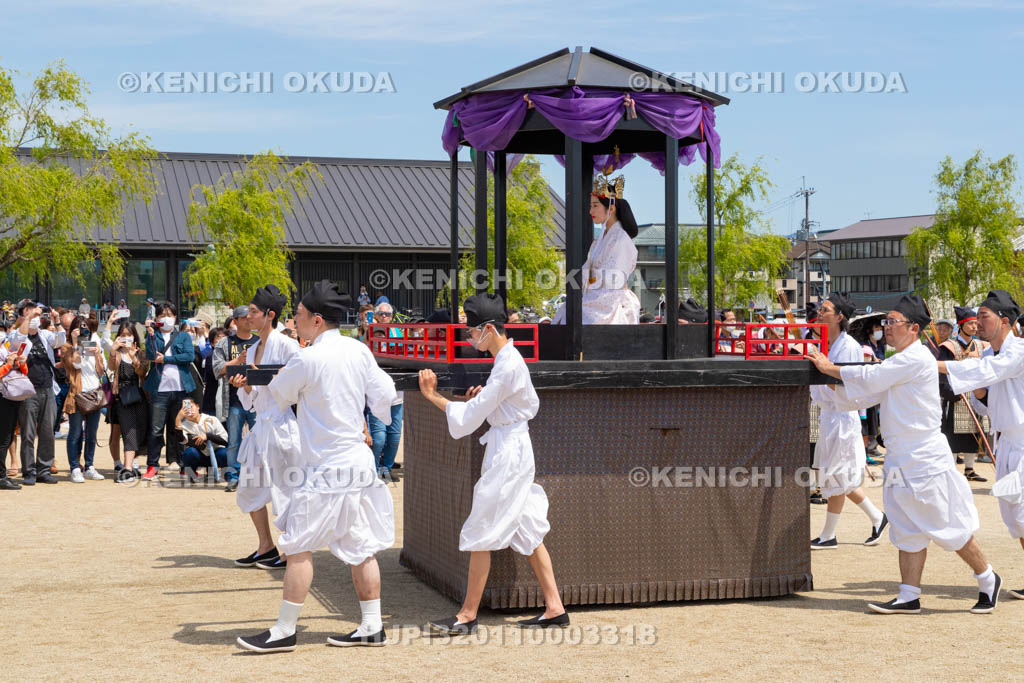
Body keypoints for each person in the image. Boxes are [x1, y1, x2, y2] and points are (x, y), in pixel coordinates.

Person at [807, 294, 1000, 614]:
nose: (886, 328)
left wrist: (830, 368)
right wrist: (832, 384)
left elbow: (871, 377)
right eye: (885, 323)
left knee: (948, 525)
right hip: (899, 455)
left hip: (925, 457)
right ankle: (909, 594)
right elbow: (867, 392)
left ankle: (987, 577)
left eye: (892, 322)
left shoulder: (914, 358)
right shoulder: (898, 361)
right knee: (905, 527)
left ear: (913, 328)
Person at [236, 280, 396, 653]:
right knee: (361, 545)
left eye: (301, 315)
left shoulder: (307, 358)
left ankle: (284, 630)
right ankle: (371, 624)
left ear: (318, 320)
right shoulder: (359, 350)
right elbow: (386, 395)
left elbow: (279, 393)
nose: (296, 320)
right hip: (357, 460)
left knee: (299, 545)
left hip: (327, 465)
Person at [418, 293, 567, 634]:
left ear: (487, 329)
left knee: (481, 529)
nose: (470, 338)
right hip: (510, 446)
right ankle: (555, 607)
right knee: (528, 529)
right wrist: (476, 401)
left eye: (472, 332)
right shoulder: (506, 360)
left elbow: (472, 416)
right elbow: (488, 407)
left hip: (508, 452)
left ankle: (467, 616)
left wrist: (433, 396)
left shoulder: (508, 363)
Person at [940, 291, 1024, 599]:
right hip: (1005, 442)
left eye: (984, 316)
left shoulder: (1018, 351)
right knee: (1015, 518)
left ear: (1005, 321)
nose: (978, 323)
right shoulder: (988, 356)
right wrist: (977, 392)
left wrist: (935, 365)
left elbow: (989, 372)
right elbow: (987, 403)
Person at [228, 285, 302, 572]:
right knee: (249, 488)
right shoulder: (251, 349)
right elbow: (250, 398)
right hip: (261, 427)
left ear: (270, 315)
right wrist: (245, 383)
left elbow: (298, 386)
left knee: (286, 492)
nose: (249, 316)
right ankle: (266, 546)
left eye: (255, 312)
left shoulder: (286, 345)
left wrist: (263, 378)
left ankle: (289, 553)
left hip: (283, 427)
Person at [808, 293, 887, 549]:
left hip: (842, 417)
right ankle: (875, 517)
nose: (820, 312)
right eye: (820, 308)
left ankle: (831, 534)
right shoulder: (825, 342)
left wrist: (823, 368)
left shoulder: (849, 345)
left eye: (826, 309)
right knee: (835, 478)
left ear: (839, 316)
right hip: (829, 416)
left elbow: (849, 384)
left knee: (837, 478)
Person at [552, 173, 640, 325]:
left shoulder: (621, 241)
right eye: (590, 206)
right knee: (564, 313)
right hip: (593, 296)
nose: (590, 211)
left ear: (611, 209)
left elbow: (612, 281)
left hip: (611, 302)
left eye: (595, 206)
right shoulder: (599, 241)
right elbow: (587, 272)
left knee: (576, 317)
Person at [9, 302, 65, 485]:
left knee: (48, 430)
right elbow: (16, 341)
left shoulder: (45, 334)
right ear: (24, 315)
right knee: (28, 432)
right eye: (33, 315)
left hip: (48, 388)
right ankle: (29, 471)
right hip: (27, 390)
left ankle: (44, 469)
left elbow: (60, 341)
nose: (36, 318)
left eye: (38, 315)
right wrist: (26, 318)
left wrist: (57, 321)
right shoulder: (17, 335)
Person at [143, 301, 195, 480]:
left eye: (170, 315)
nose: (167, 318)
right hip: (160, 390)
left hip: (182, 390)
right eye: (163, 315)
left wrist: (167, 359)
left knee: (181, 427)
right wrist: (149, 334)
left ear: (175, 317)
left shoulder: (183, 336)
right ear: (156, 318)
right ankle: (152, 465)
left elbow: (189, 356)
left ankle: (184, 465)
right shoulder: (153, 335)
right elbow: (150, 355)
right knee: (156, 429)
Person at [936, 306, 989, 481]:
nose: (974, 327)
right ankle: (950, 469)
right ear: (961, 325)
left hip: (975, 395)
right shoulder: (949, 346)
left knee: (973, 433)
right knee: (953, 435)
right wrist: (950, 392)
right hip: (956, 397)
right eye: (970, 324)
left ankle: (969, 469)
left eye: (976, 324)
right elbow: (941, 372)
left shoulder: (982, 346)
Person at [214, 306, 259, 491]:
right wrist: (238, 360)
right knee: (233, 441)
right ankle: (233, 476)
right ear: (236, 320)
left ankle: (257, 475)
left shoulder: (260, 341)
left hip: (257, 400)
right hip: (233, 400)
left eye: (251, 317)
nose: (249, 320)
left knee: (259, 439)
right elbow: (217, 369)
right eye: (245, 318)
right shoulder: (225, 343)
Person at [61, 330, 106, 483]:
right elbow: (75, 363)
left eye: (86, 330)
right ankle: (74, 467)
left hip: (94, 394)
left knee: (92, 433)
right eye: (79, 330)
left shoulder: (93, 346)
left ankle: (89, 466)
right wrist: (75, 344)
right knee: (75, 433)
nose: (83, 333)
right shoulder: (67, 347)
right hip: (77, 394)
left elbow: (101, 371)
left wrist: (97, 354)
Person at [108, 323, 148, 482]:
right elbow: (110, 368)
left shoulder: (140, 353)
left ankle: (130, 466)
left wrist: (133, 358)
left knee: (139, 432)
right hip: (122, 398)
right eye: (122, 334)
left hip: (139, 397)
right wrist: (112, 350)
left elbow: (142, 372)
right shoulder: (116, 353)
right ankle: (127, 469)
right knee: (127, 431)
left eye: (129, 334)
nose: (126, 337)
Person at [175, 399, 228, 482]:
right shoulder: (184, 425)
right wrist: (178, 419)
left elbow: (225, 441)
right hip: (200, 456)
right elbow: (180, 439)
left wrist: (208, 436)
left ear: (197, 407)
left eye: (191, 407)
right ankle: (191, 474)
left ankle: (225, 473)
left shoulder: (211, 419)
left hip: (216, 453)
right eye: (185, 409)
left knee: (225, 453)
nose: (189, 410)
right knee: (190, 452)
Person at [0, 341, 29, 490]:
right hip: (2, 399)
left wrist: (21, 363)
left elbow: (24, 373)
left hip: (13, 397)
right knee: (3, 439)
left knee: (8, 436)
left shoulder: (6, 349)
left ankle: (2, 476)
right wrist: (8, 364)